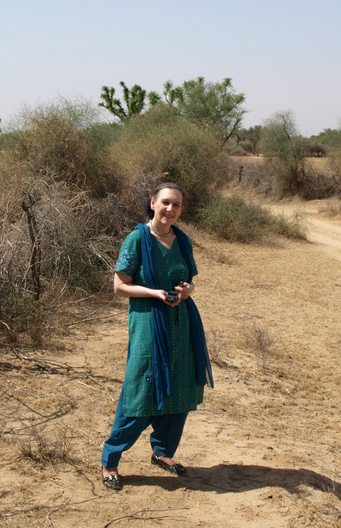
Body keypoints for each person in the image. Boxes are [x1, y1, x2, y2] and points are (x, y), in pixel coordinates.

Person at [100, 183, 213, 490]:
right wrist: (153, 293)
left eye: (176, 205)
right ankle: (110, 459)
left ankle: (162, 452)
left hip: (182, 322)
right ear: (152, 203)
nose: (170, 210)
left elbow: (188, 279)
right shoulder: (137, 238)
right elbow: (119, 286)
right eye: (165, 203)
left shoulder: (183, 240)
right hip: (149, 323)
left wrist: (187, 290)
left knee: (181, 387)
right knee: (142, 390)